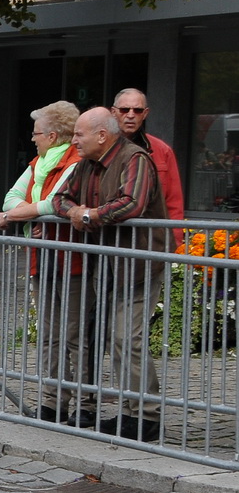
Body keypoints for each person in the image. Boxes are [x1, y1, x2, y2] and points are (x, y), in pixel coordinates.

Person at [53, 107, 167, 442]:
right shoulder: (85, 164)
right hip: (107, 264)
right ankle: (131, 413)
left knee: (127, 338)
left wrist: (89, 215)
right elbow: (59, 198)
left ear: (102, 135)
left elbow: (132, 203)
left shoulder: (135, 158)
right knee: (115, 339)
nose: (74, 140)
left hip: (138, 264)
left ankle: (146, 416)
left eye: (79, 134)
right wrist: (76, 211)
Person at [0, 101, 84, 422]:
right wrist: (26, 212)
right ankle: (52, 401)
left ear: (52, 135)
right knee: (48, 332)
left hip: (73, 259)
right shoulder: (38, 163)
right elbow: (11, 197)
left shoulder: (75, 162)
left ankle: (84, 404)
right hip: (42, 257)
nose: (32, 139)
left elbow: (54, 204)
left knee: (75, 335)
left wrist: (15, 215)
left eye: (36, 133)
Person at [112, 88, 185, 222]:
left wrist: (173, 234)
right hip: (108, 229)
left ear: (145, 114)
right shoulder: (99, 147)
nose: (130, 115)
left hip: (150, 231)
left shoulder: (162, 150)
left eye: (137, 110)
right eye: (124, 110)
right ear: (113, 112)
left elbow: (174, 202)